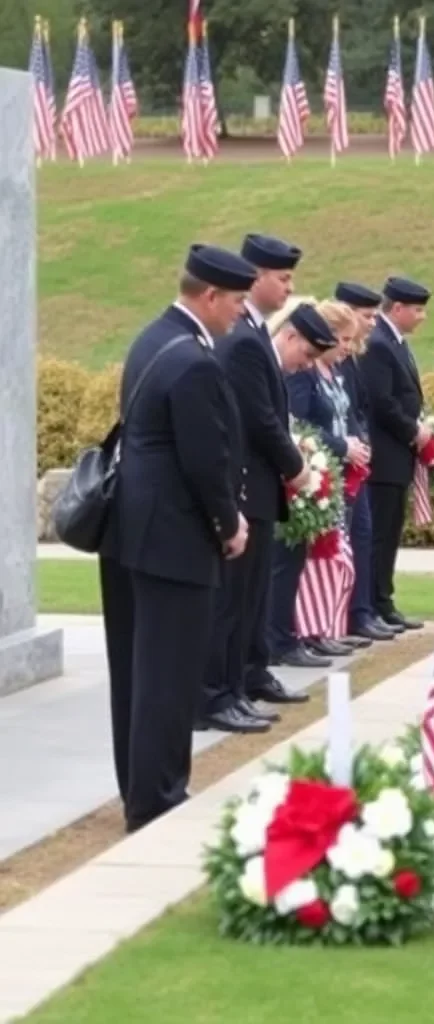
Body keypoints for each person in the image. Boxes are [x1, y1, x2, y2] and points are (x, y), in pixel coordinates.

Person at [99, 244, 254, 833]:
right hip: (173, 541)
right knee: (168, 674)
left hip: (134, 534)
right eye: (237, 301)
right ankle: (157, 797)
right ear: (209, 296)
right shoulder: (194, 360)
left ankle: (138, 785)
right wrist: (229, 523)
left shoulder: (151, 338)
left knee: (137, 671)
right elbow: (204, 460)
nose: (240, 313)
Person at [197, 234, 312, 734]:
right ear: (255, 275)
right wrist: (296, 466)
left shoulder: (254, 331)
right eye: (282, 278)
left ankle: (244, 677)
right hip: (248, 484)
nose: (289, 287)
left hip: (260, 487)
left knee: (250, 597)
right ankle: (218, 693)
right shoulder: (242, 338)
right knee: (232, 600)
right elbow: (259, 417)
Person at [284, 297, 371, 654]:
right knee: (312, 555)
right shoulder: (304, 374)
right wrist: (340, 445)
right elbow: (301, 425)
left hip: (340, 475)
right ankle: (303, 630)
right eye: (344, 340)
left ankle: (326, 625)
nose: (349, 348)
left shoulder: (335, 373)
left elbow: (349, 413)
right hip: (318, 469)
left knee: (337, 549)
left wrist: (358, 442)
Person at [264, 303, 341, 666]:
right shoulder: (267, 366)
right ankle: (276, 641)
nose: (307, 365)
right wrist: (299, 468)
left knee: (286, 563)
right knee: (279, 566)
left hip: (287, 473)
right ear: (290, 335)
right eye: (307, 354)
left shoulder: (278, 369)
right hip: (273, 481)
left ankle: (279, 639)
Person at [362, 276, 432, 633]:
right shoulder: (378, 344)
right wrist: (413, 431)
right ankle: (375, 602)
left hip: (398, 458)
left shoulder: (395, 343)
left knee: (390, 532)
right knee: (380, 534)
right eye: (417, 310)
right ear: (398, 308)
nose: (422, 317)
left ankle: (383, 599)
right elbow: (382, 402)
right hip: (384, 458)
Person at [334, 281, 398, 643]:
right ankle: (348, 615)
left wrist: (362, 440)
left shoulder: (354, 357)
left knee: (362, 536)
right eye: (366, 315)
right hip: (339, 463)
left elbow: (359, 408)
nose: (372, 323)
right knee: (346, 540)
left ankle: (362, 611)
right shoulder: (337, 358)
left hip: (356, 462)